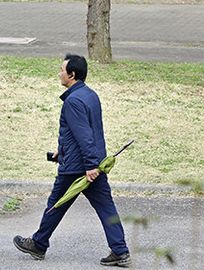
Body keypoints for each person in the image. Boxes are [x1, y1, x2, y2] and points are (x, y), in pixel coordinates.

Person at [13, 54, 131, 267]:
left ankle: (38, 244)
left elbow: (84, 135)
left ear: (72, 74)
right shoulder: (90, 95)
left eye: (62, 70)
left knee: (56, 204)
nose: (59, 73)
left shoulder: (73, 101)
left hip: (80, 168)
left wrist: (90, 166)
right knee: (106, 208)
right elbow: (87, 132)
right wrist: (62, 151)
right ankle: (120, 251)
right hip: (92, 163)